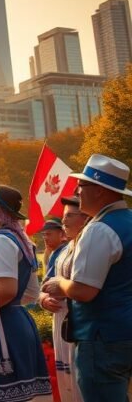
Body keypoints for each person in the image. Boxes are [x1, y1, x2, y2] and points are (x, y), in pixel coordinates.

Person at [42, 154, 132, 401]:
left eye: (82, 186)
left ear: (100, 191)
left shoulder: (100, 229)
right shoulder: (127, 221)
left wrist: (60, 283)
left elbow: (84, 291)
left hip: (102, 338)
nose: (77, 191)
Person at [0, 184, 52, 401]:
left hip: (1, 325)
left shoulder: (0, 240)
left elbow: (7, 290)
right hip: (17, 320)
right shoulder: (18, 239)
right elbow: (29, 292)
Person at [38, 196, 88, 402]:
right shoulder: (62, 252)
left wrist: (63, 288)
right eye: (63, 216)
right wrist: (43, 299)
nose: (64, 220)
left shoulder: (89, 246)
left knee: (82, 382)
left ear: (85, 217)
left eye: (69, 216)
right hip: (61, 321)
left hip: (81, 323)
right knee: (66, 380)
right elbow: (44, 285)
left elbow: (87, 288)